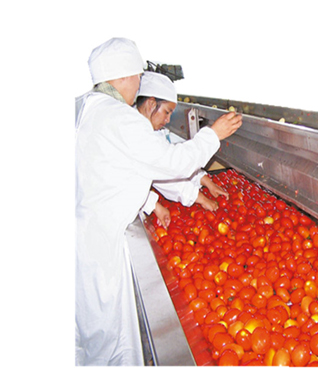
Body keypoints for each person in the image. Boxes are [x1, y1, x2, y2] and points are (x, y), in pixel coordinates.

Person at [75, 37, 241, 366]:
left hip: (87, 232)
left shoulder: (86, 107)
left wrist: (155, 200)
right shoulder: (119, 118)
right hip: (103, 244)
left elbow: (119, 170)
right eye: (136, 76)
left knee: (90, 335)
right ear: (121, 76)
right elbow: (171, 163)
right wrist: (213, 135)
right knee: (111, 342)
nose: (137, 84)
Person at [135, 71, 228, 229]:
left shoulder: (147, 131)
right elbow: (171, 167)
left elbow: (171, 160)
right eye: (167, 112)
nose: (168, 120)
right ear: (151, 103)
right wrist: (201, 198)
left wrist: (206, 181)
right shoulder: (137, 134)